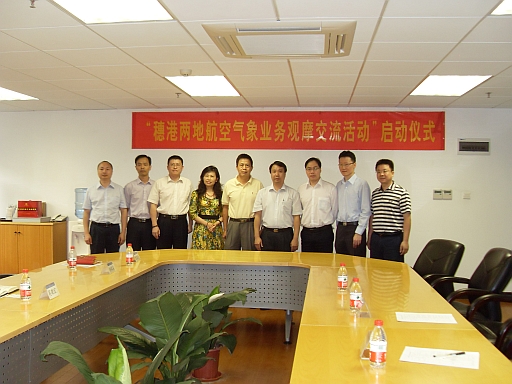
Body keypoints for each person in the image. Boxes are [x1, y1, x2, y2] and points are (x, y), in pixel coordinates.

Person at [368, 159, 412, 262]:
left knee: (393, 272)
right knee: (375, 270)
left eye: (384, 171)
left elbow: (407, 218)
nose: (381, 174)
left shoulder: (402, 193)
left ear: (392, 173)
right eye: (378, 172)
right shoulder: (375, 193)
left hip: (393, 239)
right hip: (376, 238)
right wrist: (370, 237)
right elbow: (372, 217)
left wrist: (405, 241)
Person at [253, 161, 302, 252]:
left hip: (285, 235)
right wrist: (257, 237)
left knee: (286, 263)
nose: (277, 174)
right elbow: (257, 216)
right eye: (274, 171)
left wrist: (295, 238)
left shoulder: (293, 193)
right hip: (267, 234)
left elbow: (296, 217)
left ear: (285, 174)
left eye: (280, 171)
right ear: (270, 174)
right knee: (266, 263)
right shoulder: (262, 193)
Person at [148, 155, 193, 249]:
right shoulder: (159, 182)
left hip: (181, 222)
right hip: (164, 222)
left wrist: (190, 224)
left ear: (182, 167)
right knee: (163, 252)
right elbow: (153, 205)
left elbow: (190, 205)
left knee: (180, 253)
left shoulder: (188, 183)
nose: (175, 167)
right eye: (172, 164)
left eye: (178, 165)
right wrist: (154, 225)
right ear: (167, 167)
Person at [82, 161, 128, 254]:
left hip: (113, 229)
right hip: (96, 229)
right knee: (97, 258)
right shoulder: (91, 190)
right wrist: (86, 233)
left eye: (107, 169)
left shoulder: (119, 189)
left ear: (112, 171)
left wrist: (123, 232)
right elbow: (86, 212)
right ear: (97, 171)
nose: (104, 172)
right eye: (101, 169)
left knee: (113, 259)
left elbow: (124, 211)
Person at [222, 154, 264, 250]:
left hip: (250, 224)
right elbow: (225, 208)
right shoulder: (229, 184)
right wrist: (225, 229)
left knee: (250, 256)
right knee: (230, 255)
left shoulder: (258, 184)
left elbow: (261, 209)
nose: (244, 168)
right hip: (233, 224)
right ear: (237, 167)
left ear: (251, 168)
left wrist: (259, 228)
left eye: (247, 165)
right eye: (241, 165)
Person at [335, 151, 371, 257]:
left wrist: (359, 232)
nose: (343, 167)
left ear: (354, 165)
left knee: (356, 265)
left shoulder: (361, 184)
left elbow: (366, 210)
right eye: (341, 165)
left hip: (354, 228)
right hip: (341, 228)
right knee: (340, 262)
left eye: (346, 164)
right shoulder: (339, 185)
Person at [297, 157, 337, 253]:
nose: (312, 172)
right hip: (307, 233)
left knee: (325, 264)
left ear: (320, 169)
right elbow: (299, 211)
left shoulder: (330, 188)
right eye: (309, 169)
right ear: (305, 171)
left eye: (315, 168)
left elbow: (335, 211)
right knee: (307, 264)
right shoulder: (301, 189)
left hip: (324, 233)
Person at [124, 154, 156, 251]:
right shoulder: (129, 186)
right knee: (132, 252)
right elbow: (125, 208)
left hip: (150, 223)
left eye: (145, 164)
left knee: (149, 254)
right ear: (136, 167)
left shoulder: (156, 185)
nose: (142, 167)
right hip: (134, 224)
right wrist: (124, 228)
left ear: (150, 167)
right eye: (139, 164)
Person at [189, 166, 224, 250]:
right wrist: (207, 224)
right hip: (201, 228)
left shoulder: (221, 194)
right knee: (199, 256)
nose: (209, 178)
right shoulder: (196, 194)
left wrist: (216, 223)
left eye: (212, 176)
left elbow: (225, 213)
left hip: (216, 228)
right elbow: (192, 213)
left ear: (216, 179)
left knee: (217, 257)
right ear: (202, 178)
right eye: (206, 176)